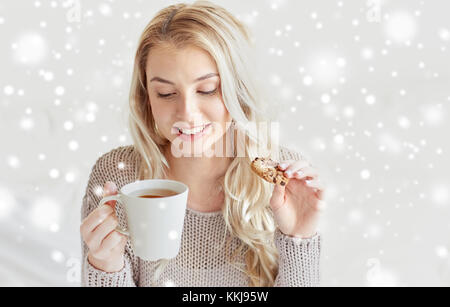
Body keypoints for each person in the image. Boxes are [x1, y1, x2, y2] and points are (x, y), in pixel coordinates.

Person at [80, 0, 325, 287]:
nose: (187, 113)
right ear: (147, 97)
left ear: (238, 90)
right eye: (166, 93)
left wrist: (299, 240)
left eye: (207, 89)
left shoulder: (284, 182)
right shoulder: (118, 176)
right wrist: (105, 268)